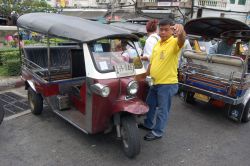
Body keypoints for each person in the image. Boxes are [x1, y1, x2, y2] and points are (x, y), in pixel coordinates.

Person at [140, 19, 186, 141]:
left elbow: (182, 40)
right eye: (161, 29)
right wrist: (144, 76)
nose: (163, 32)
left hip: (167, 84)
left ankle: (157, 132)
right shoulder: (157, 44)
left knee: (162, 110)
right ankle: (148, 124)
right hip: (154, 82)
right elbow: (152, 63)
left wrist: (181, 31)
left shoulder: (175, 43)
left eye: (166, 30)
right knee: (149, 104)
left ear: (172, 30)